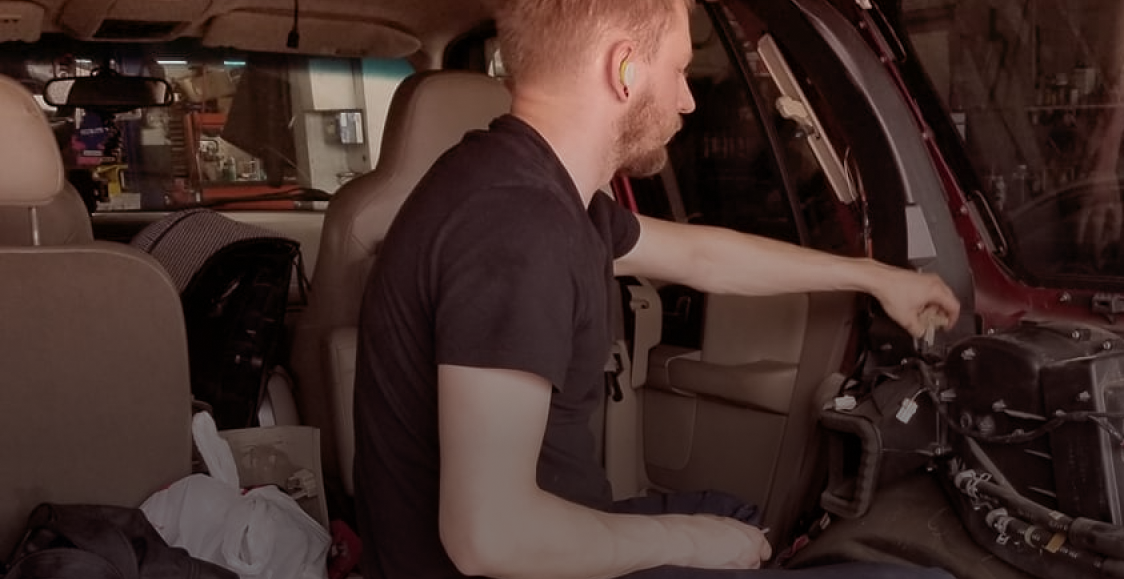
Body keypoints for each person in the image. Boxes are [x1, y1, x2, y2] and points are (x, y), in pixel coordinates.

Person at [349, 1, 962, 578]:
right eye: (680, 71)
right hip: (509, 559)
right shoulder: (517, 225)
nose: (689, 100)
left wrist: (874, 276)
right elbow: (489, 536)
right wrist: (694, 543)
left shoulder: (532, 189)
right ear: (624, 67)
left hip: (550, 526)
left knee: (743, 521)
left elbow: (702, 255)